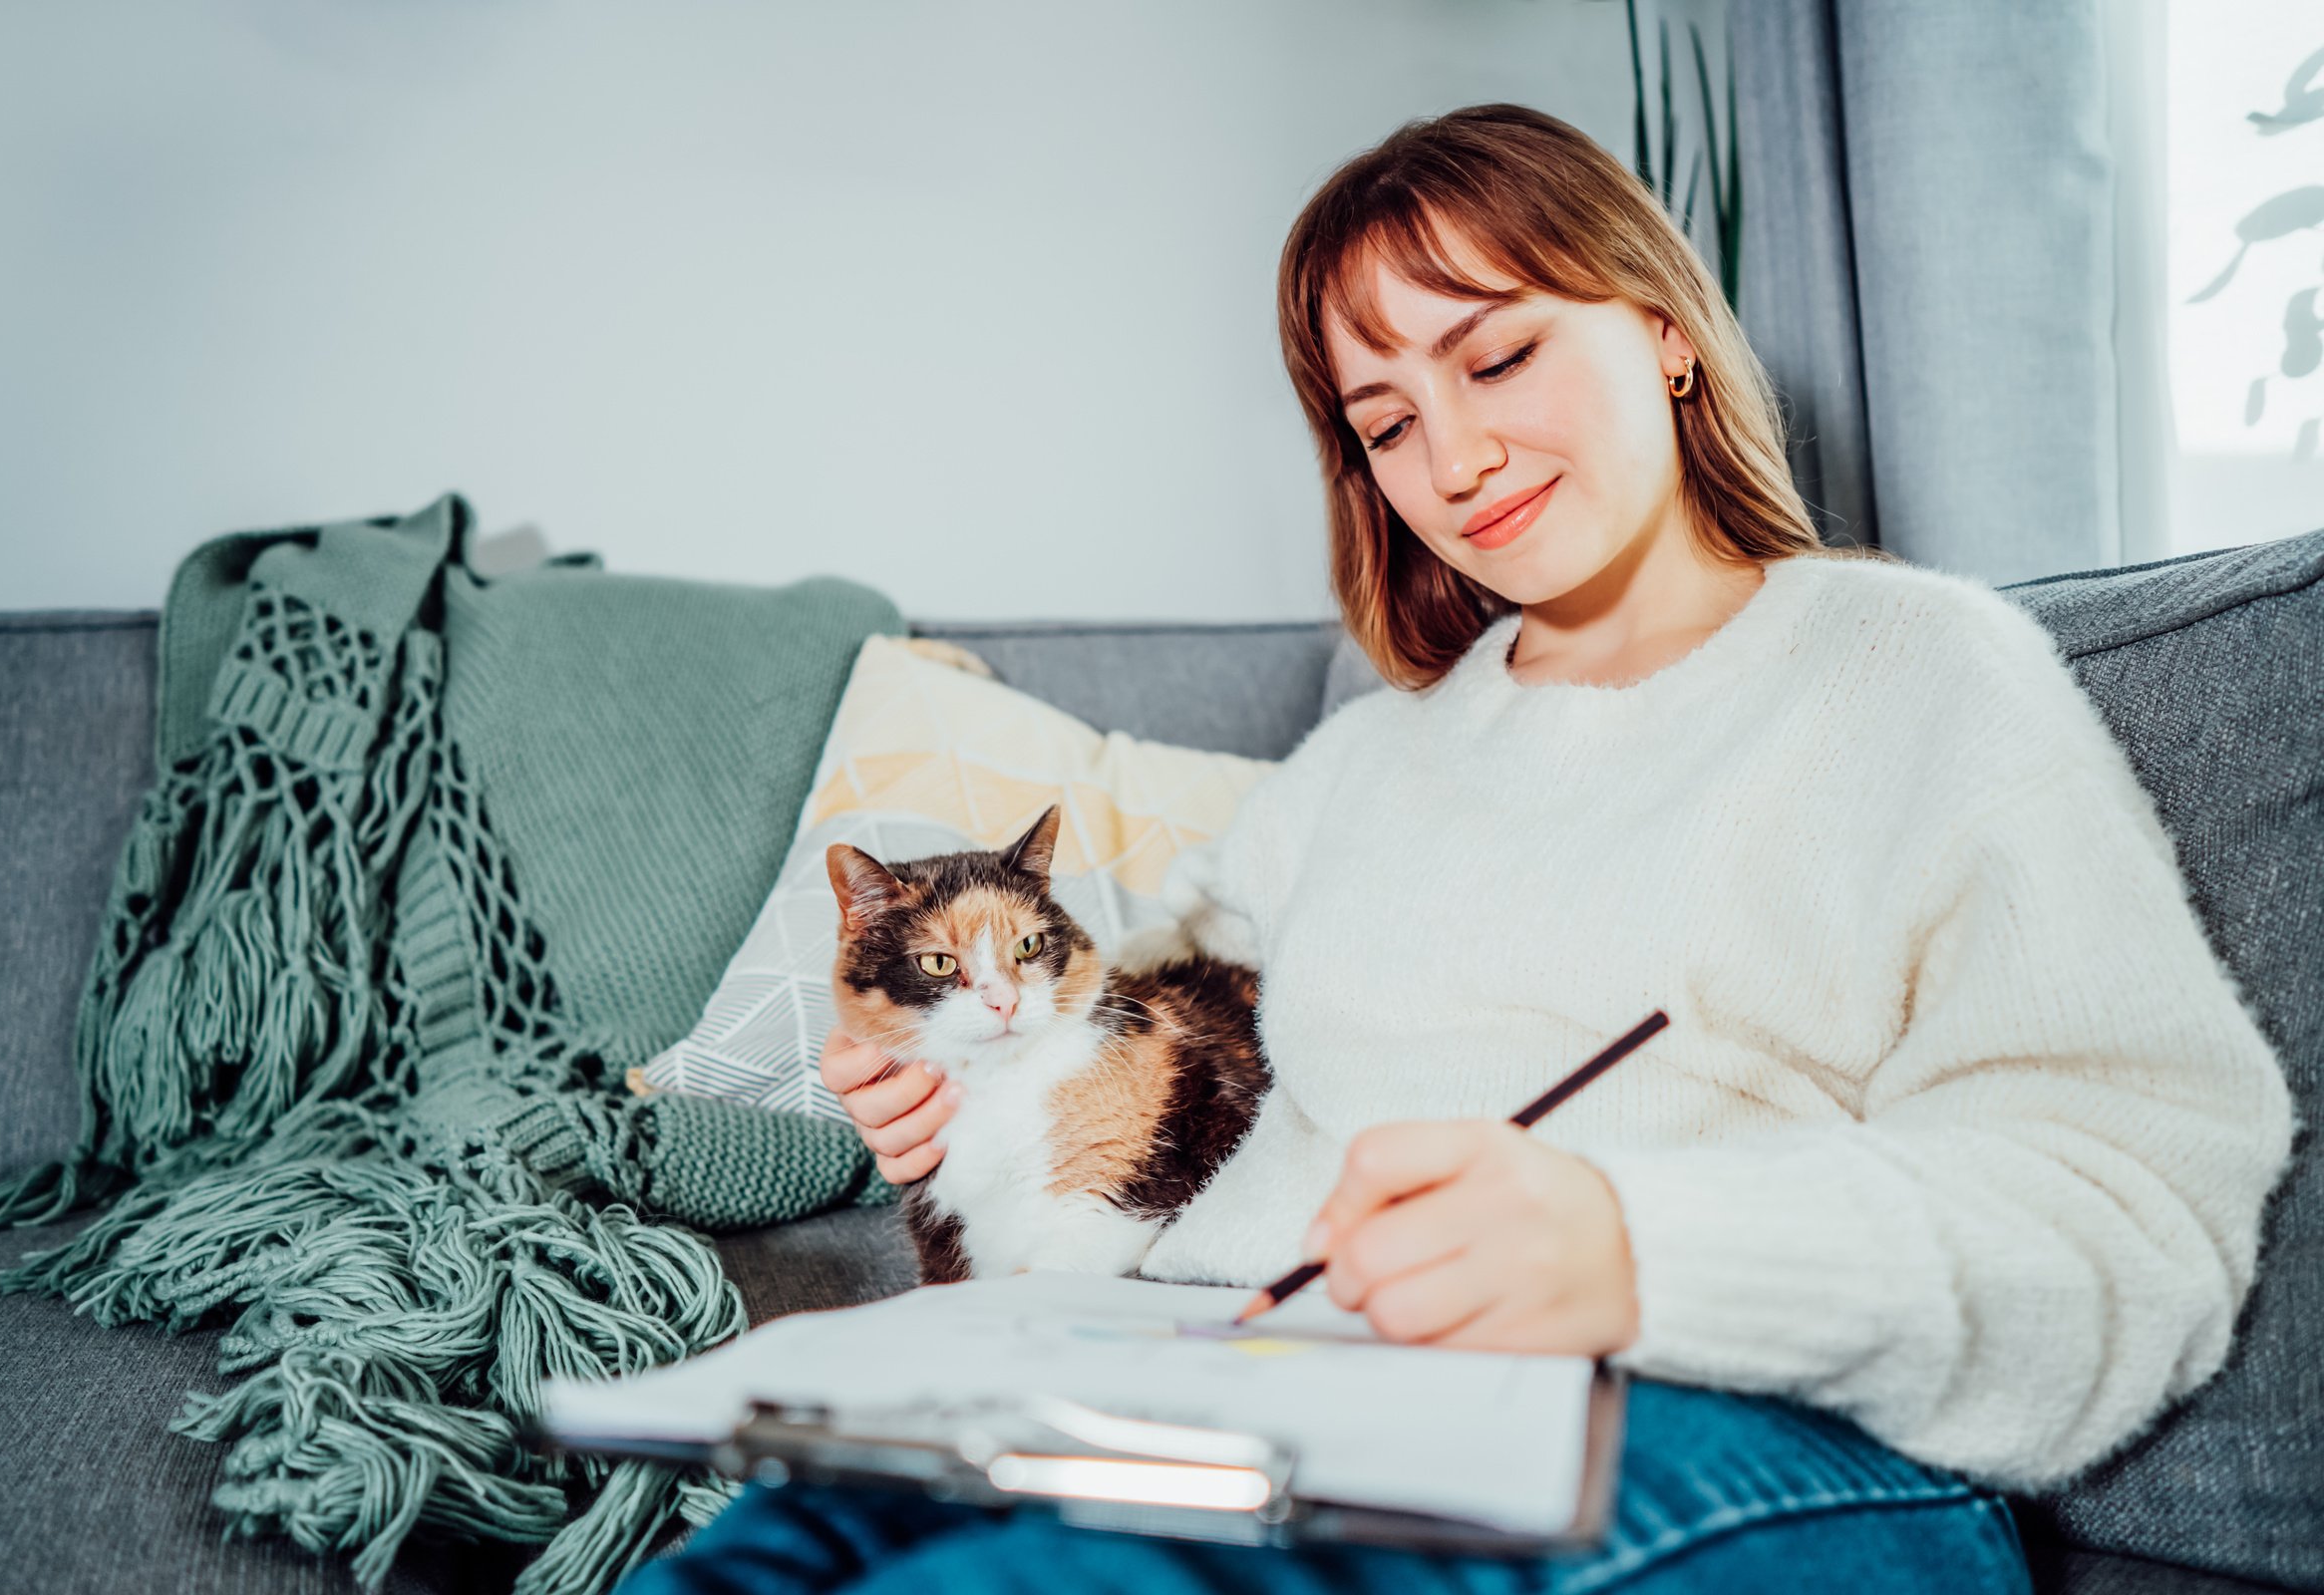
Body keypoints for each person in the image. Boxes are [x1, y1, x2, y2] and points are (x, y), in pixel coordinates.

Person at [614, 103, 2293, 1593]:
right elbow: (1115, 999)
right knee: (775, 1538)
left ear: (1663, 332)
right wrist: (956, 1104)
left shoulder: (1915, 675)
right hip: (1269, 1370)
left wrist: (1643, 1254)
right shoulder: (1368, 768)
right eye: (1384, 422)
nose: (1456, 458)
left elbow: (2141, 1225)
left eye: (1495, 359)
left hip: (1753, 1427)